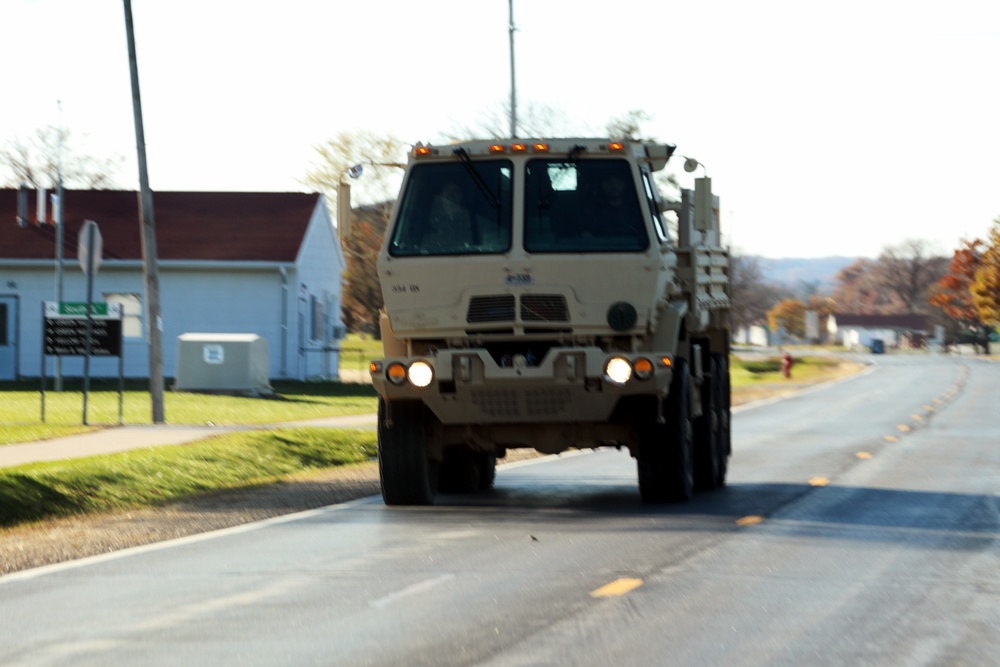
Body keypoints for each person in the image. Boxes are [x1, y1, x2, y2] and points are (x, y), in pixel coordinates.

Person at [423, 181, 473, 250]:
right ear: (441, 195)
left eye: (455, 190)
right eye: (447, 190)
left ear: (461, 195)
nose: (451, 194)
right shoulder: (429, 221)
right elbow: (424, 249)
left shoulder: (472, 220)